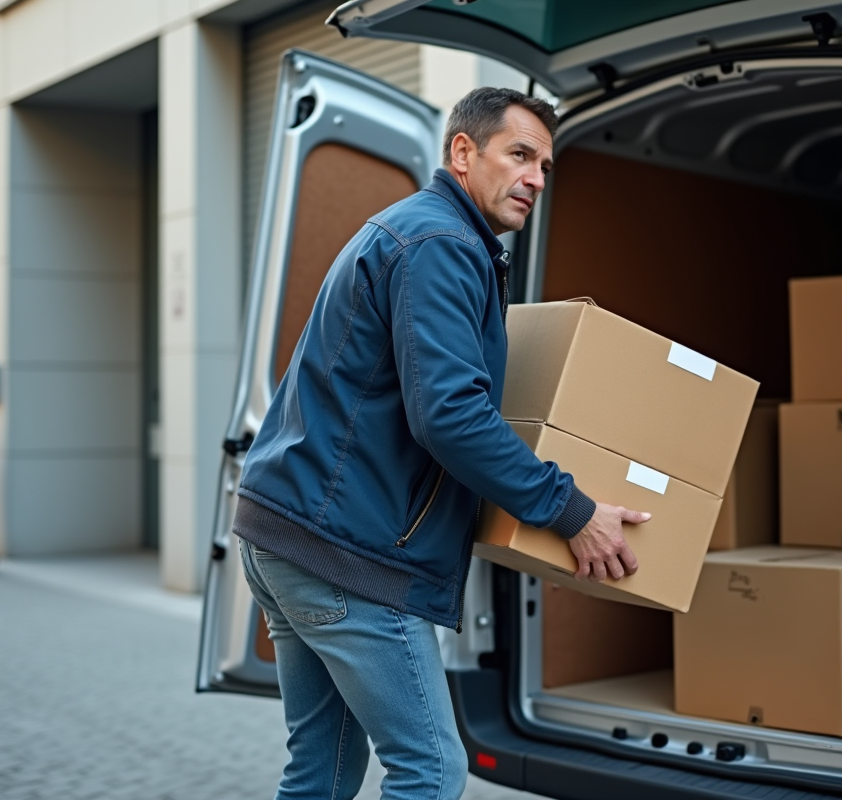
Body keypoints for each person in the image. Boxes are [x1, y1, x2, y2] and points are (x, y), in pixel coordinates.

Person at [233, 87, 649, 800]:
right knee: (429, 768)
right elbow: (451, 416)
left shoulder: (417, 232)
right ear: (463, 151)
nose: (536, 180)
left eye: (546, 166)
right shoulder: (441, 245)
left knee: (322, 769)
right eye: (520, 155)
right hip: (348, 556)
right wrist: (572, 510)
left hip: (287, 536)